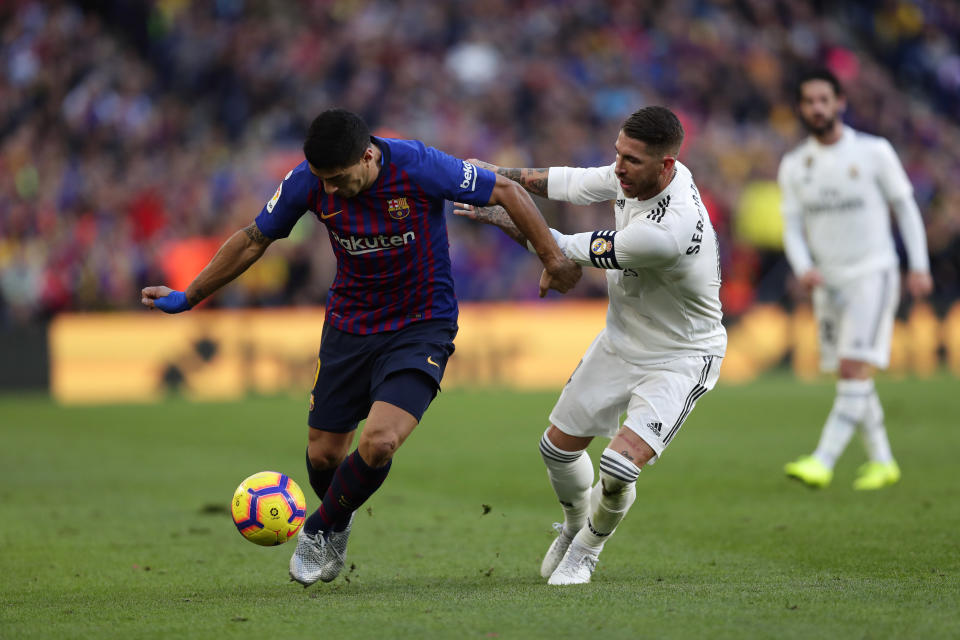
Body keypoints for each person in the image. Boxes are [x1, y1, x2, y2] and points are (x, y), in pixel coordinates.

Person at [140, 108, 581, 587]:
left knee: (379, 441)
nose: (329, 190)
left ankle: (318, 527)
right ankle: (340, 519)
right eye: (323, 180)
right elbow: (253, 239)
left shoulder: (418, 165)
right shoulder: (305, 182)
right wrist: (190, 296)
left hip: (422, 325)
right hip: (350, 326)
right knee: (325, 456)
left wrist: (553, 258)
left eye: (339, 178)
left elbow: (506, 189)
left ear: (368, 156)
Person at [456, 106, 727, 585]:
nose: (619, 167)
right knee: (556, 450)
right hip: (622, 339)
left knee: (619, 466)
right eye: (618, 154)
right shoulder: (638, 175)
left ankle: (587, 547)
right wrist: (498, 176)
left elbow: (559, 247)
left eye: (632, 160)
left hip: (682, 356)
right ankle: (576, 521)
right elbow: (576, 183)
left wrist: (507, 214)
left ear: (665, 166)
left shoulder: (666, 232)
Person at [779, 69, 933, 490]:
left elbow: (905, 208)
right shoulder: (795, 165)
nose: (817, 108)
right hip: (827, 282)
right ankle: (883, 461)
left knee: (851, 366)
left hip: (873, 272)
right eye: (809, 101)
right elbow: (791, 225)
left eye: (824, 99)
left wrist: (918, 266)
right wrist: (803, 266)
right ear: (801, 108)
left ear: (840, 101)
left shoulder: (873, 151)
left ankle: (823, 460)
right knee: (851, 372)